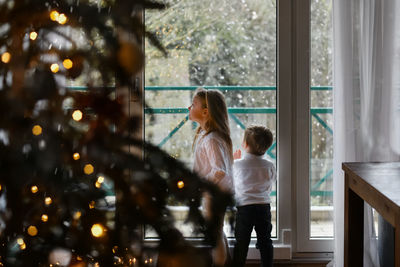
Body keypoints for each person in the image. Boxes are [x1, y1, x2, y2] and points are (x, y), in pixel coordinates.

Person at [188, 87, 234, 267]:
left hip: (215, 194)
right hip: (215, 193)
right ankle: (223, 262)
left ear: (205, 112)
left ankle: (219, 264)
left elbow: (219, 170)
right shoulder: (207, 136)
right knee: (216, 230)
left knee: (215, 233)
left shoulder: (212, 139)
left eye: (193, 105)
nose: (189, 108)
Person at [232, 125, 276, 267]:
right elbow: (270, 184)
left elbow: (231, 181)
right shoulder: (269, 165)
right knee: (265, 241)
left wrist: (234, 160)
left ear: (245, 144)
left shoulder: (237, 165)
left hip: (244, 208)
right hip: (263, 207)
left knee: (241, 241)